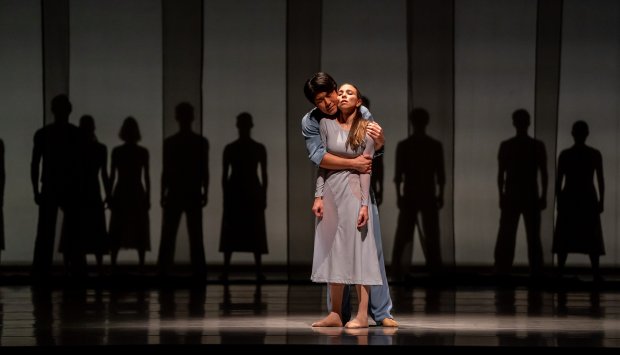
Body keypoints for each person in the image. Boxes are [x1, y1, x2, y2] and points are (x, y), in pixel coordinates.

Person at [301, 72, 397, 327]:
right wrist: (319, 193)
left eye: (329, 95)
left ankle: (380, 312)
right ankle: (338, 313)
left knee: (367, 250)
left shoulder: (362, 114)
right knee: (335, 249)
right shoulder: (314, 121)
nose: (328, 103)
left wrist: (380, 144)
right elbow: (319, 158)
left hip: (357, 190)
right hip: (333, 190)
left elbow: (371, 156)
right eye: (319, 101)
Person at [30, 94, 82, 278]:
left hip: (51, 185)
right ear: (69, 110)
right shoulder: (76, 134)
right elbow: (81, 164)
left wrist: (36, 190)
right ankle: (76, 268)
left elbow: (35, 164)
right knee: (74, 230)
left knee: (45, 231)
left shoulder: (43, 134)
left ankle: (41, 270)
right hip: (70, 186)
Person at [391, 108, 445, 281]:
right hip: (427, 193)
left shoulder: (405, 146)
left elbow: (399, 175)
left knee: (404, 234)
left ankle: (399, 269)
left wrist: (398, 196)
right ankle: (434, 268)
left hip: (411, 194)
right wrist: (440, 194)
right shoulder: (434, 146)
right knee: (431, 233)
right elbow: (440, 174)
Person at [158, 103, 209, 279]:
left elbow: (166, 170)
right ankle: (198, 270)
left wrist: (162, 192)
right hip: (192, 191)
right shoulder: (200, 142)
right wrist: (205, 191)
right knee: (195, 234)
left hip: (176, 191)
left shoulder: (171, 143)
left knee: (169, 234)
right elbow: (204, 169)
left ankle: (164, 269)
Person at [494, 109, 547, 277]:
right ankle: (536, 270)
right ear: (529, 123)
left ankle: (503, 269)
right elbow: (543, 172)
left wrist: (501, 195)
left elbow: (501, 173)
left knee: (506, 235)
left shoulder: (507, 145)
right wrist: (544, 195)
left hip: (512, 194)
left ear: (514, 123)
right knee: (533, 236)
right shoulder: (537, 146)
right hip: (530, 194)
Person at [553, 120, 605, 281]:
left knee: (565, 236)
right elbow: (600, 180)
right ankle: (595, 272)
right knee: (591, 236)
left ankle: (560, 271)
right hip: (587, 196)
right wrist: (601, 201)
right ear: (587, 134)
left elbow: (559, 181)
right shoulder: (594, 154)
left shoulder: (566, 154)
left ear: (572, 134)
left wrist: (559, 200)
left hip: (570, 195)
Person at [219, 112, 268, 282]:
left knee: (244, 230)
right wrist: (263, 195)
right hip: (246, 190)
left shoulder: (233, 148)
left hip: (243, 190)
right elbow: (264, 175)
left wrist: (263, 195)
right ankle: (255, 270)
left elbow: (225, 176)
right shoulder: (254, 148)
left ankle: (229, 270)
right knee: (247, 229)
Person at [59, 115, 111, 276]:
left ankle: (68, 267)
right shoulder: (100, 149)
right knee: (96, 229)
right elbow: (104, 174)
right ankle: (100, 266)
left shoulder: (73, 149)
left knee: (72, 230)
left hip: (76, 192)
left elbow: (67, 173)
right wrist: (108, 194)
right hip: (92, 191)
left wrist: (63, 194)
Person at [108, 116, 151, 273]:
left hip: (122, 190)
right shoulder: (142, 152)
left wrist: (108, 195)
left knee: (118, 227)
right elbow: (146, 177)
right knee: (139, 226)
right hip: (136, 190)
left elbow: (112, 176)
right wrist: (148, 197)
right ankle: (141, 264)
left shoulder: (117, 152)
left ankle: (113, 263)